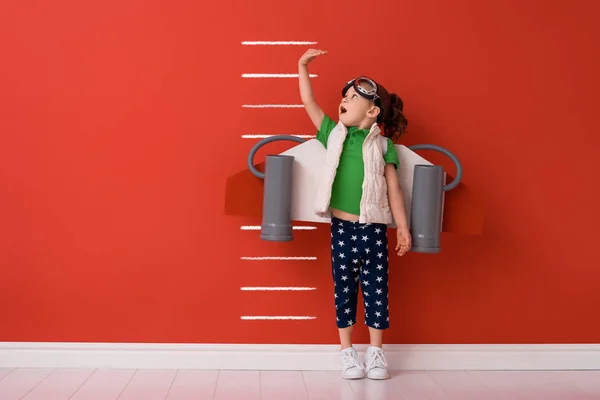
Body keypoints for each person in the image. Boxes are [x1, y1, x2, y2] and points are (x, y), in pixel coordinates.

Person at [298, 49, 412, 380]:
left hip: (374, 228)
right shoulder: (335, 135)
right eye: (343, 97)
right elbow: (309, 103)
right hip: (342, 229)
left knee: (377, 289)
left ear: (373, 110)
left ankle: (376, 352)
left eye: (351, 98)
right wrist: (302, 66)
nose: (342, 102)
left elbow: (394, 190)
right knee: (344, 288)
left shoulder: (382, 146)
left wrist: (402, 229)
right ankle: (347, 352)